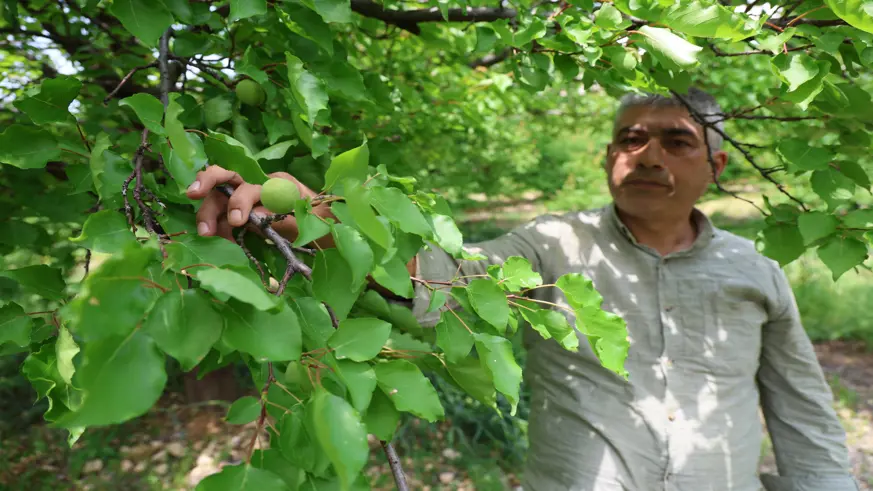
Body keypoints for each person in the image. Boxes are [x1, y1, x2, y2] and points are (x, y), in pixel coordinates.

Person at [186, 88, 858, 491]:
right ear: (607, 158)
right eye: (629, 140)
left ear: (715, 164)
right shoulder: (550, 244)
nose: (646, 155)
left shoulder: (755, 272)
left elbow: (804, 415)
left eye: (673, 141)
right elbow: (450, 275)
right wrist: (321, 220)